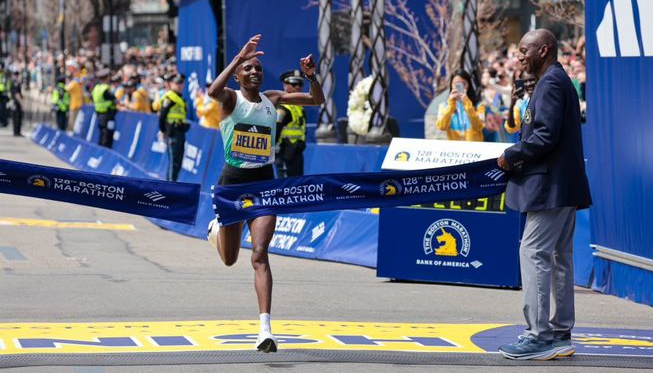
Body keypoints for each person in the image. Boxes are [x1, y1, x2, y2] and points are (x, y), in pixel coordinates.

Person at [205, 34, 324, 353]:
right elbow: (212, 92)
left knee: (259, 254)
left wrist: (311, 76)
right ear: (238, 76)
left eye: (258, 67)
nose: (255, 71)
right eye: (248, 69)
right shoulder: (230, 100)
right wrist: (236, 58)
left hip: (264, 187)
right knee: (230, 259)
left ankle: (265, 330)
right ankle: (217, 230)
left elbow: (317, 101)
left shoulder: (274, 99)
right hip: (232, 187)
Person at [497, 29, 592, 360]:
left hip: (550, 187)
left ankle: (539, 335)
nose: (520, 56)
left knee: (533, 252)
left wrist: (512, 154)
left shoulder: (551, 82)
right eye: (519, 50)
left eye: (526, 50)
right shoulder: (554, 80)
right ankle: (560, 333)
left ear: (545, 50)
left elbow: (545, 136)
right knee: (559, 258)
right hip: (562, 187)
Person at [436, 70, 486, 141]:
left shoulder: (479, 105)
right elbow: (441, 126)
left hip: (475, 149)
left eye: (463, 84)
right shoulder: (443, 106)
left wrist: (467, 103)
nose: (459, 87)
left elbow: (478, 127)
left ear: (469, 85)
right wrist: (451, 105)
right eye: (456, 84)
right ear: (451, 85)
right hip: (456, 150)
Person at [275, 70, 308, 177]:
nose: (298, 87)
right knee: (286, 187)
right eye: (294, 84)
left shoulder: (299, 106)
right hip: (284, 153)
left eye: (300, 84)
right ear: (285, 85)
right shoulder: (282, 108)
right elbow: (276, 129)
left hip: (297, 153)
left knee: (298, 186)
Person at [158, 73, 189, 181]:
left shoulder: (179, 98)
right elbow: (162, 116)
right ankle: (171, 187)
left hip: (179, 132)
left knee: (177, 162)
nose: (180, 85)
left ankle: (170, 185)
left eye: (181, 83)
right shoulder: (170, 98)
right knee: (174, 163)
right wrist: (164, 131)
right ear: (171, 84)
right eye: (177, 83)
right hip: (172, 133)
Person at [503, 71, 537, 140]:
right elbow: (512, 127)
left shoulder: (545, 99)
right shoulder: (522, 104)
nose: (529, 84)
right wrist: (512, 104)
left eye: (532, 80)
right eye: (525, 81)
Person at [92, 68, 118, 148]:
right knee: (107, 134)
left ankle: (101, 150)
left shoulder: (96, 88)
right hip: (108, 114)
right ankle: (105, 150)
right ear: (106, 78)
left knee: (102, 133)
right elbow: (114, 99)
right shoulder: (105, 89)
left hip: (99, 113)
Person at [9, 71, 24, 137]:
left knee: (15, 117)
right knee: (17, 117)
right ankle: (17, 132)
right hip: (16, 102)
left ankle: (16, 132)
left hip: (14, 102)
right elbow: (17, 94)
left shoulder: (12, 82)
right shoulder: (16, 83)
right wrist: (22, 104)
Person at [0, 63, 10, 128]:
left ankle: (4, 122)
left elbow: (7, 84)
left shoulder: (4, 75)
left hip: (3, 94)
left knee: (3, 109)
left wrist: (7, 91)